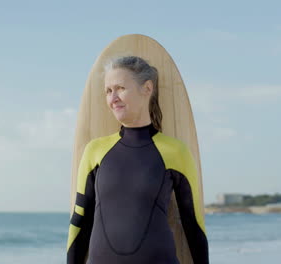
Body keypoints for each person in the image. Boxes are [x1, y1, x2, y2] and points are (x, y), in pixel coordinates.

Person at [67, 56, 209, 264]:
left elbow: (193, 224)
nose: (112, 97)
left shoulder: (175, 151)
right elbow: (80, 221)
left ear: (147, 88)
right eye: (108, 91)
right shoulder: (95, 151)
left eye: (120, 88)